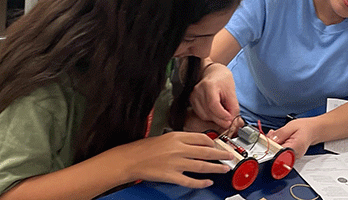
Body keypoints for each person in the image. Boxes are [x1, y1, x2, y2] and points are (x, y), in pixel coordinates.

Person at [0, 0, 242, 199]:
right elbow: (12, 193)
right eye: (190, 39)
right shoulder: (47, 84)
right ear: (138, 20)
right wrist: (132, 161)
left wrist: (211, 73)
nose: (204, 51)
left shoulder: (141, 49)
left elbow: (144, 108)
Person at [187, 0, 348, 159]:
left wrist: (315, 130)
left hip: (308, 133)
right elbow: (195, 57)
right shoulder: (269, 4)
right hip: (235, 119)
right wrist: (210, 73)